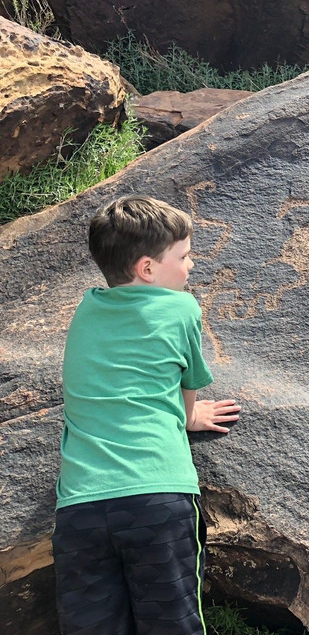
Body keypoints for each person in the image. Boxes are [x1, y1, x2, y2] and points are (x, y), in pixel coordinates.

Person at [52, 195, 240, 635]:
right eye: (185, 256)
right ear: (148, 269)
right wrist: (189, 417)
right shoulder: (181, 308)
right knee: (171, 621)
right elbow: (189, 379)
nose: (191, 266)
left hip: (79, 507)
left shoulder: (87, 309)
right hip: (157, 497)